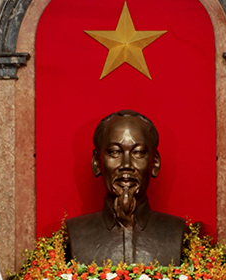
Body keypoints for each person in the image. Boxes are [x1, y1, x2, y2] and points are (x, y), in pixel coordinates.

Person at [66, 110, 185, 265]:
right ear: (97, 162)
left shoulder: (177, 233)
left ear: (155, 163)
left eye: (138, 153)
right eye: (115, 152)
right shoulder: (76, 234)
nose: (126, 165)